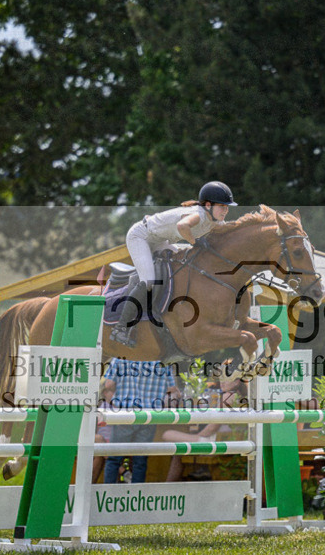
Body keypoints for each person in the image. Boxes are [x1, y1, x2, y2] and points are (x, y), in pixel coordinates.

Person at [110, 181, 238, 346]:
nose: (226, 210)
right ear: (208, 205)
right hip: (141, 236)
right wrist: (195, 241)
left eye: (227, 207)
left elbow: (230, 232)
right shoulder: (198, 214)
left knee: (185, 258)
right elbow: (182, 225)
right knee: (148, 281)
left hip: (161, 240)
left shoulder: (215, 220)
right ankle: (120, 328)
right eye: (222, 206)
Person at [102, 358, 181, 484]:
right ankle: (137, 496)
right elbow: (171, 387)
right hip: (150, 414)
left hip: (126, 413)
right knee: (140, 460)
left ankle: (107, 496)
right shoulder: (164, 358)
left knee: (114, 458)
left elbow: (108, 384)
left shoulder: (120, 357)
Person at [161, 378, 245, 481]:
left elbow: (213, 426)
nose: (222, 381)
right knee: (180, 449)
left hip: (214, 442)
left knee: (168, 434)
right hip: (226, 440)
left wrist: (197, 436)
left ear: (236, 381)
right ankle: (173, 484)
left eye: (226, 379)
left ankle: (169, 487)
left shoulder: (228, 397)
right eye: (221, 378)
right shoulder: (240, 396)